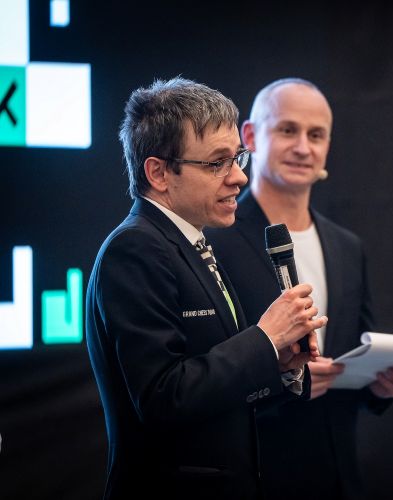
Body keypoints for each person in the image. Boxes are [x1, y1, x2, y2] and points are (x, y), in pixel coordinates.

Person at [85, 77, 325, 500]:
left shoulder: (192, 242)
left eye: (237, 158)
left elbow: (216, 393)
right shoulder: (135, 249)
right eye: (217, 163)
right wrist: (265, 339)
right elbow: (163, 398)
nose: (238, 177)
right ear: (159, 173)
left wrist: (279, 363)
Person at [206, 78, 393, 500]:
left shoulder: (347, 246)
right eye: (288, 130)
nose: (303, 147)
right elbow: (204, 379)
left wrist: (381, 385)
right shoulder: (214, 242)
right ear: (251, 137)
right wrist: (283, 382)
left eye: (316, 135)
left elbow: (354, 353)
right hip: (256, 479)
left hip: (339, 478)